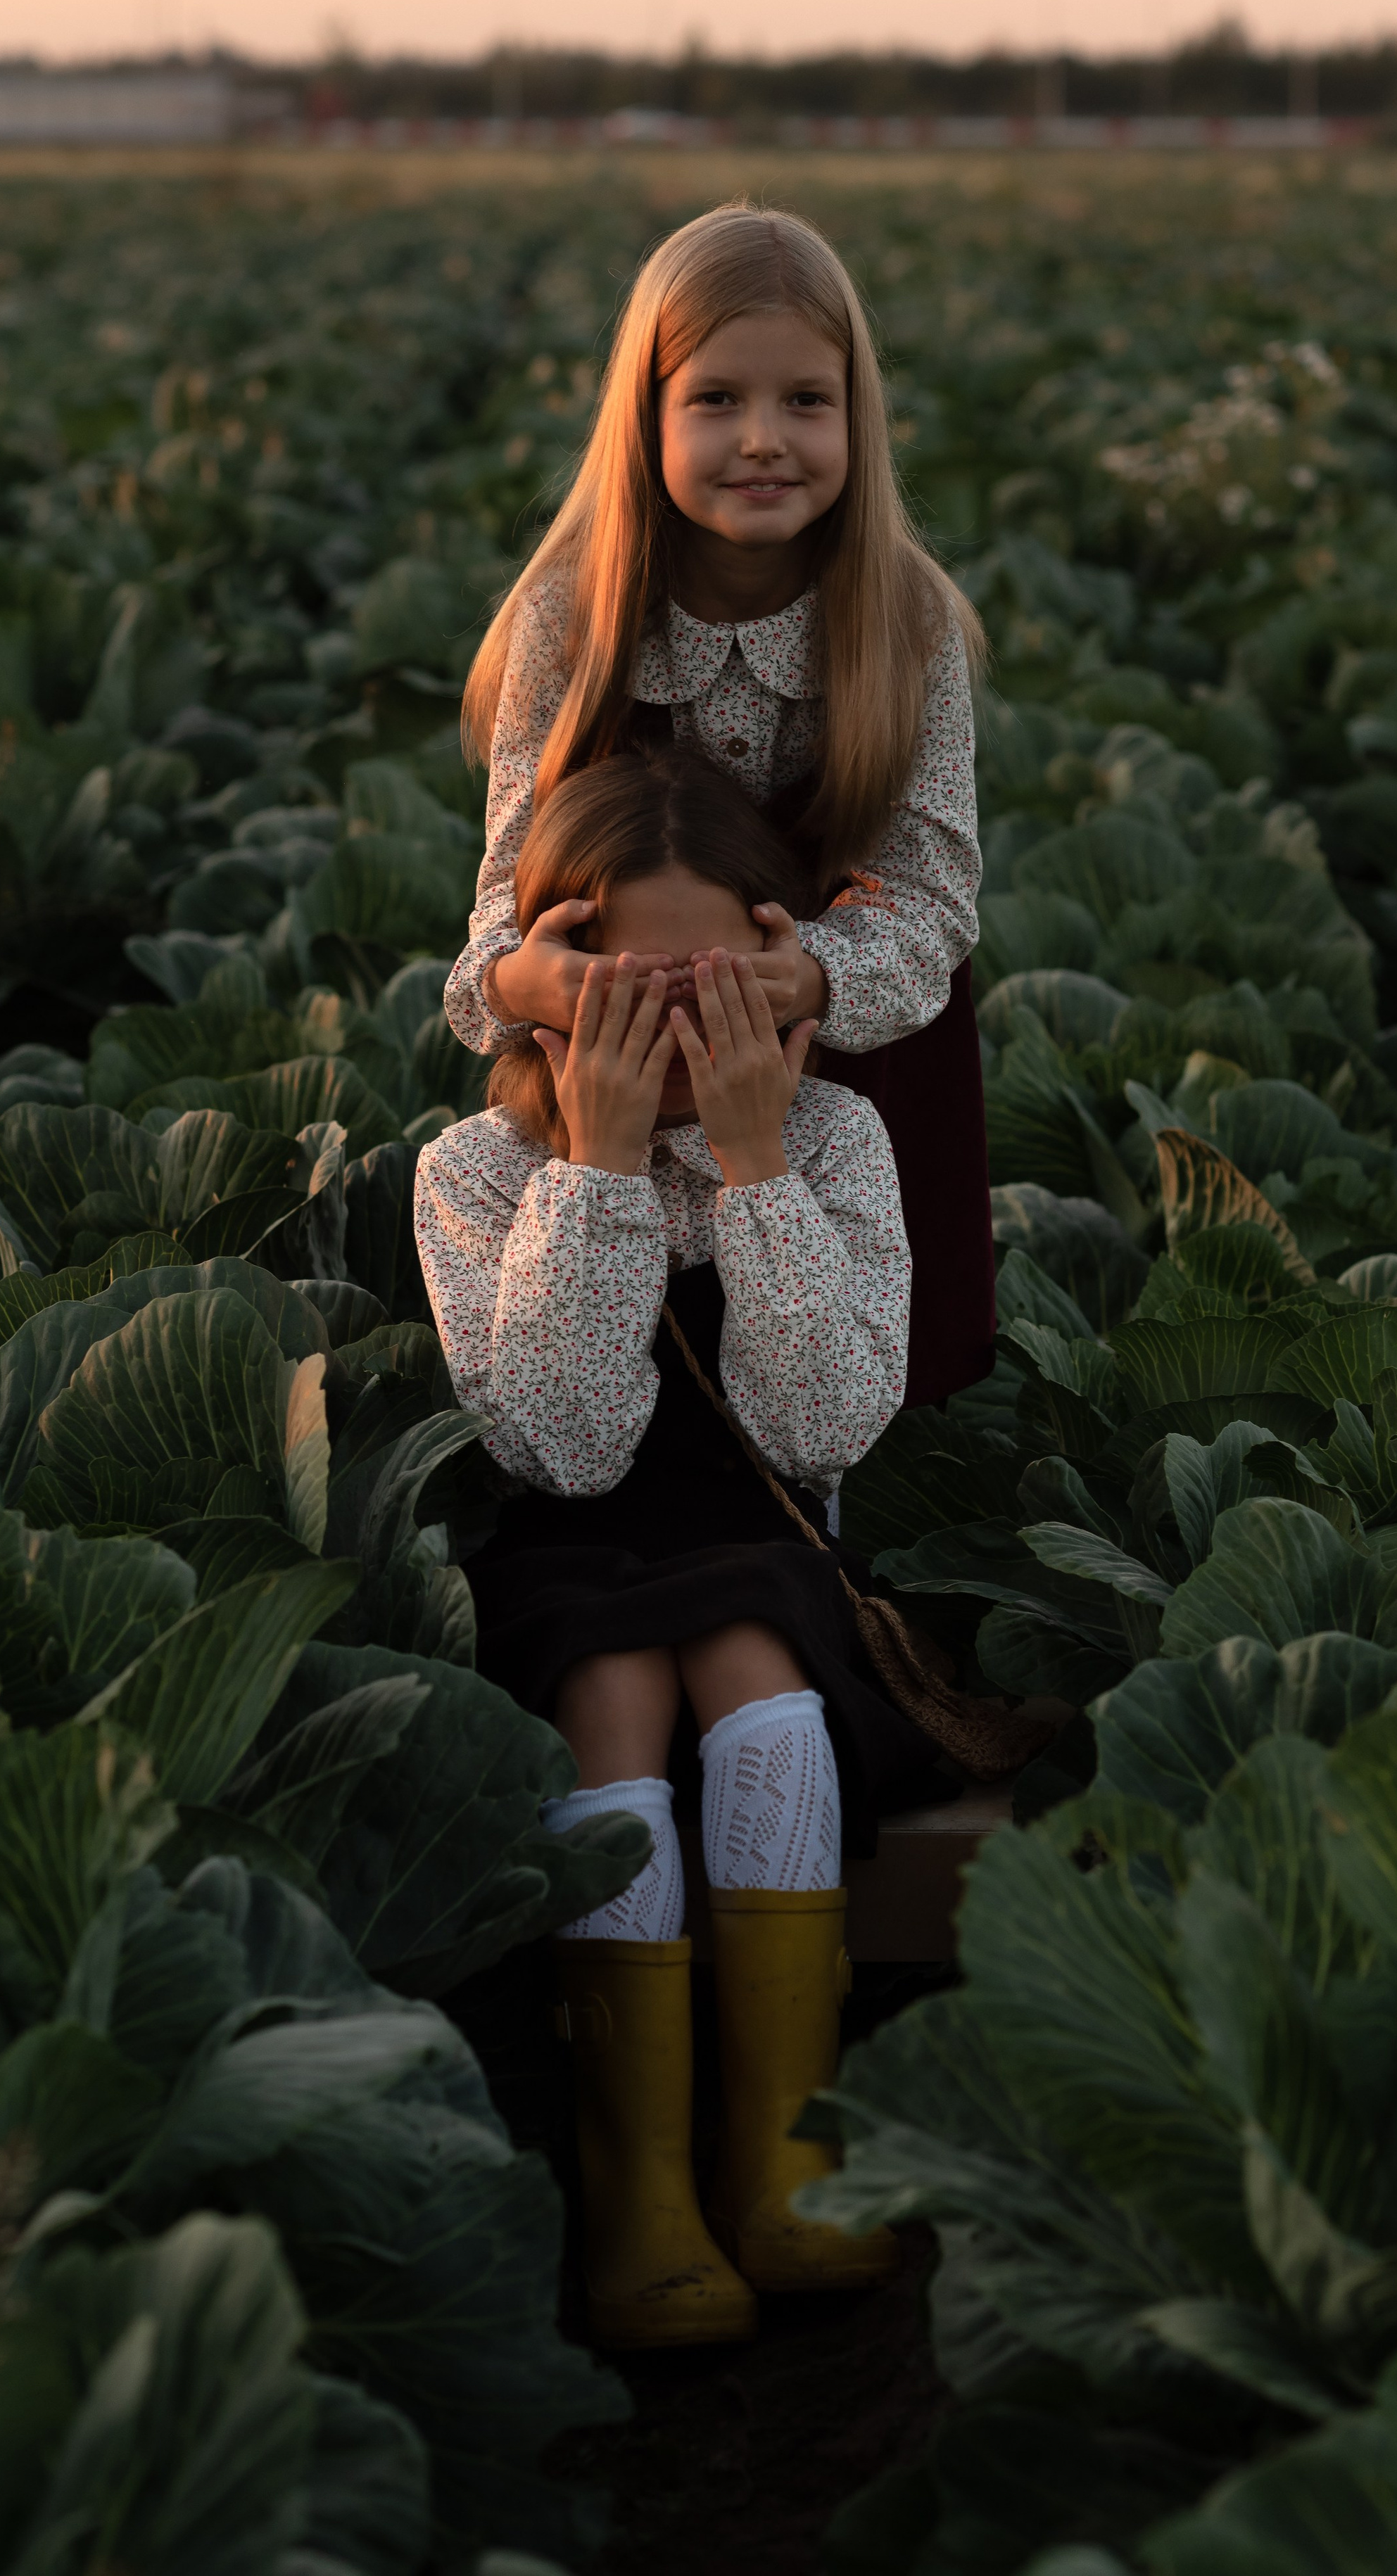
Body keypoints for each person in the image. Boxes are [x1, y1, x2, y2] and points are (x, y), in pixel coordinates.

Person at [415, 747, 951, 2350]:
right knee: (614, 1695)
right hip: (564, 1560)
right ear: (538, 990)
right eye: (619, 991)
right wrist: (589, 1168)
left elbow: (822, 1433)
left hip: (762, 1552)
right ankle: (639, 2183)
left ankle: (781, 2150)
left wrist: (753, 1164)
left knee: (750, 1672)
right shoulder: (473, 1172)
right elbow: (560, 1445)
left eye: (707, 984)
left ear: (782, 971)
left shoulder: (839, 1144)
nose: (666, 1028)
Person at [447, 198, 993, 1409]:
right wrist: (520, 984)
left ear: (859, 416)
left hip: (846, 1061)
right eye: (715, 400)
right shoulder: (567, 622)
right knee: (604, 1364)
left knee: (858, 1377)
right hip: (614, 1056)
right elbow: (502, 890)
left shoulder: (903, 622)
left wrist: (811, 982)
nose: (763, 439)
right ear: (644, 421)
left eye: (807, 400)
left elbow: (937, 887)